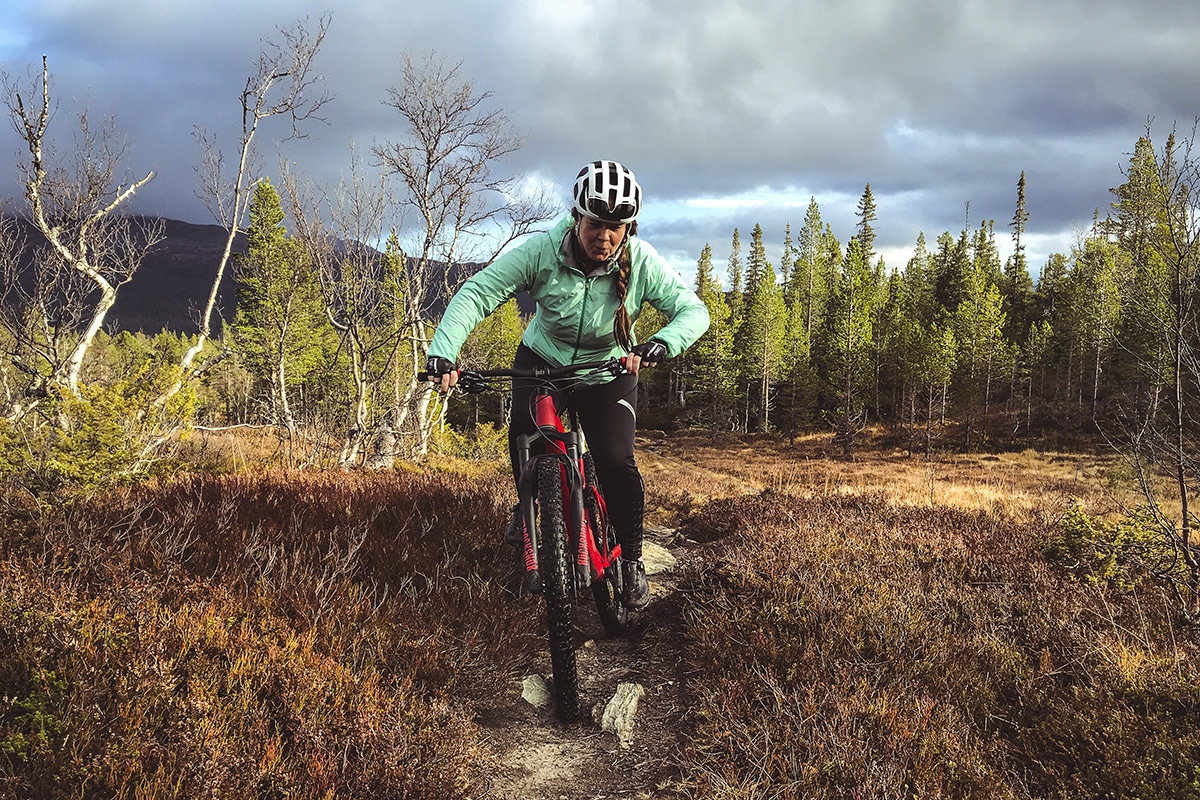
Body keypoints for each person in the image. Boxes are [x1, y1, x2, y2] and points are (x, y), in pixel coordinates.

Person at [424, 159, 710, 610]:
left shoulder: (641, 263)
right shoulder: (542, 251)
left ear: (628, 227)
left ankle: (631, 561)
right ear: (578, 217)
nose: (605, 236)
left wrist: (661, 344)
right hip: (543, 362)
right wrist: (444, 350)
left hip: (607, 370)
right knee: (525, 437)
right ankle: (530, 502)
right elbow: (479, 292)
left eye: (616, 226)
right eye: (596, 223)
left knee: (616, 461)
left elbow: (695, 312)